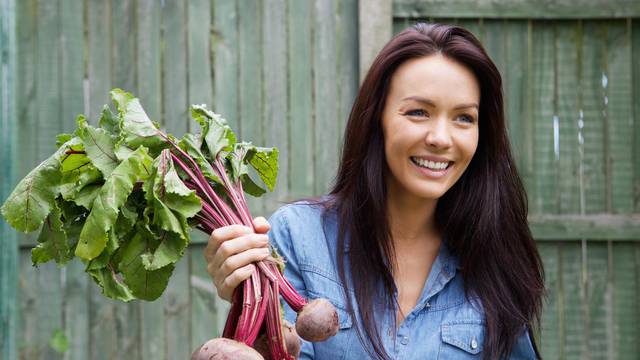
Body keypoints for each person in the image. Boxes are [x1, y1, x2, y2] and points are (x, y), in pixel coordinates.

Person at [204, 23, 545, 360]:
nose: (441, 138)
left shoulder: (495, 261)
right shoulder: (296, 237)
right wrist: (247, 297)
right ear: (377, 119)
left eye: (464, 118)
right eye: (418, 112)